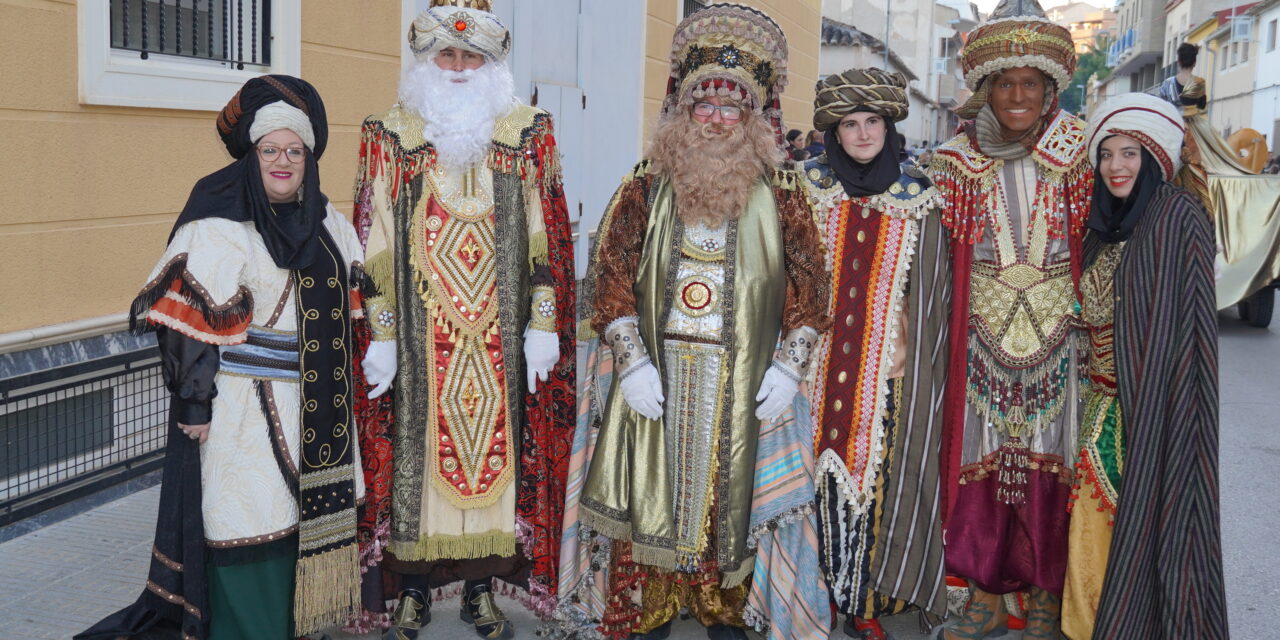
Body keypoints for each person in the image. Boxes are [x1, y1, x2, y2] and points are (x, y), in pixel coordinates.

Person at [556, 5, 830, 639]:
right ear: (682, 112)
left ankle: (721, 606)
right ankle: (650, 601)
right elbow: (609, 275)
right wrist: (630, 362)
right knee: (651, 491)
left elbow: (811, 287)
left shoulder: (783, 188)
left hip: (743, 375)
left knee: (728, 498)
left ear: (752, 117)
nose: (715, 119)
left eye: (731, 108)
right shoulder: (646, 184)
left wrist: (791, 365)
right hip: (656, 370)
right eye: (703, 105)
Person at [78, 75, 365, 640]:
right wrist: (194, 403)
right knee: (249, 525)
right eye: (270, 150)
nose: (283, 161)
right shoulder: (219, 226)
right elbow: (190, 330)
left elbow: (353, 306)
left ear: (309, 156)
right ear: (251, 155)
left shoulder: (330, 223)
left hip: (322, 409)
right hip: (244, 411)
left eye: (294, 150)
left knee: (303, 527)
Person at [351, 1, 577, 638]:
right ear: (425, 60)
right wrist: (385, 336)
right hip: (423, 344)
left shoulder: (528, 132)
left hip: (502, 339)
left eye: (470, 55)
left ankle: (481, 589)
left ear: (490, 63)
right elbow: (377, 241)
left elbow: (545, 237)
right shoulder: (391, 133)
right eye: (446, 55)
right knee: (416, 464)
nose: (457, 66)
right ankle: (415, 592)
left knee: (497, 464)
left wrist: (542, 324)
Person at [928, 0, 1093, 637]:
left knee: (1055, 460)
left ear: (1050, 89)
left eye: (1030, 84)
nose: (1018, 95)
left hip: (1061, 337)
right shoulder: (954, 160)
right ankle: (985, 592)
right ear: (986, 89)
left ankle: (1049, 589)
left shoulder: (1082, 151)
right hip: (981, 337)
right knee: (983, 458)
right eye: (1005, 83)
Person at [1060, 92, 1227, 639]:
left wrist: (1160, 404)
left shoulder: (1179, 217)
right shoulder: (1100, 223)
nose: (1115, 166)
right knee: (1093, 531)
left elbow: (1192, 335)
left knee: (1140, 525)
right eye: (1106, 154)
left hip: (1159, 405)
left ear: (1155, 158)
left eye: (1130, 153)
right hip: (1100, 402)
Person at [803, 68, 951, 639]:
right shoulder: (804, 187)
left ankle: (864, 597)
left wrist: (915, 368)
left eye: (873, 122)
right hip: (809, 367)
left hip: (884, 373)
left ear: (889, 129)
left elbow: (932, 293)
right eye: (849, 124)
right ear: (833, 133)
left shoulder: (919, 197)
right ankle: (812, 594)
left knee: (874, 486)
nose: (862, 134)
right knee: (809, 481)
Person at [1158, 42, 1256, 219]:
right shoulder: (1199, 82)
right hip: (1196, 127)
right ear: (1194, 62)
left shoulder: (1167, 83)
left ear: (1178, 61)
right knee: (1212, 158)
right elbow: (1202, 104)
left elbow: (1162, 106)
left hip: (1173, 126)